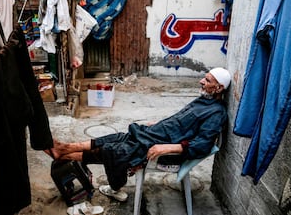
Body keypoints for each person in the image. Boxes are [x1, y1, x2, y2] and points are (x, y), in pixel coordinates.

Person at [45, 67, 231, 202]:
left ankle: (67, 153)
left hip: (163, 149)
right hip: (154, 135)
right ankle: (65, 149)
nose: (201, 81)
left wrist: (166, 147)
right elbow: (181, 121)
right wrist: (158, 124)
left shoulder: (216, 113)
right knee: (115, 138)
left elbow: (202, 145)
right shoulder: (204, 101)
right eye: (204, 78)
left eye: (207, 80)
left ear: (219, 88)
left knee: (112, 150)